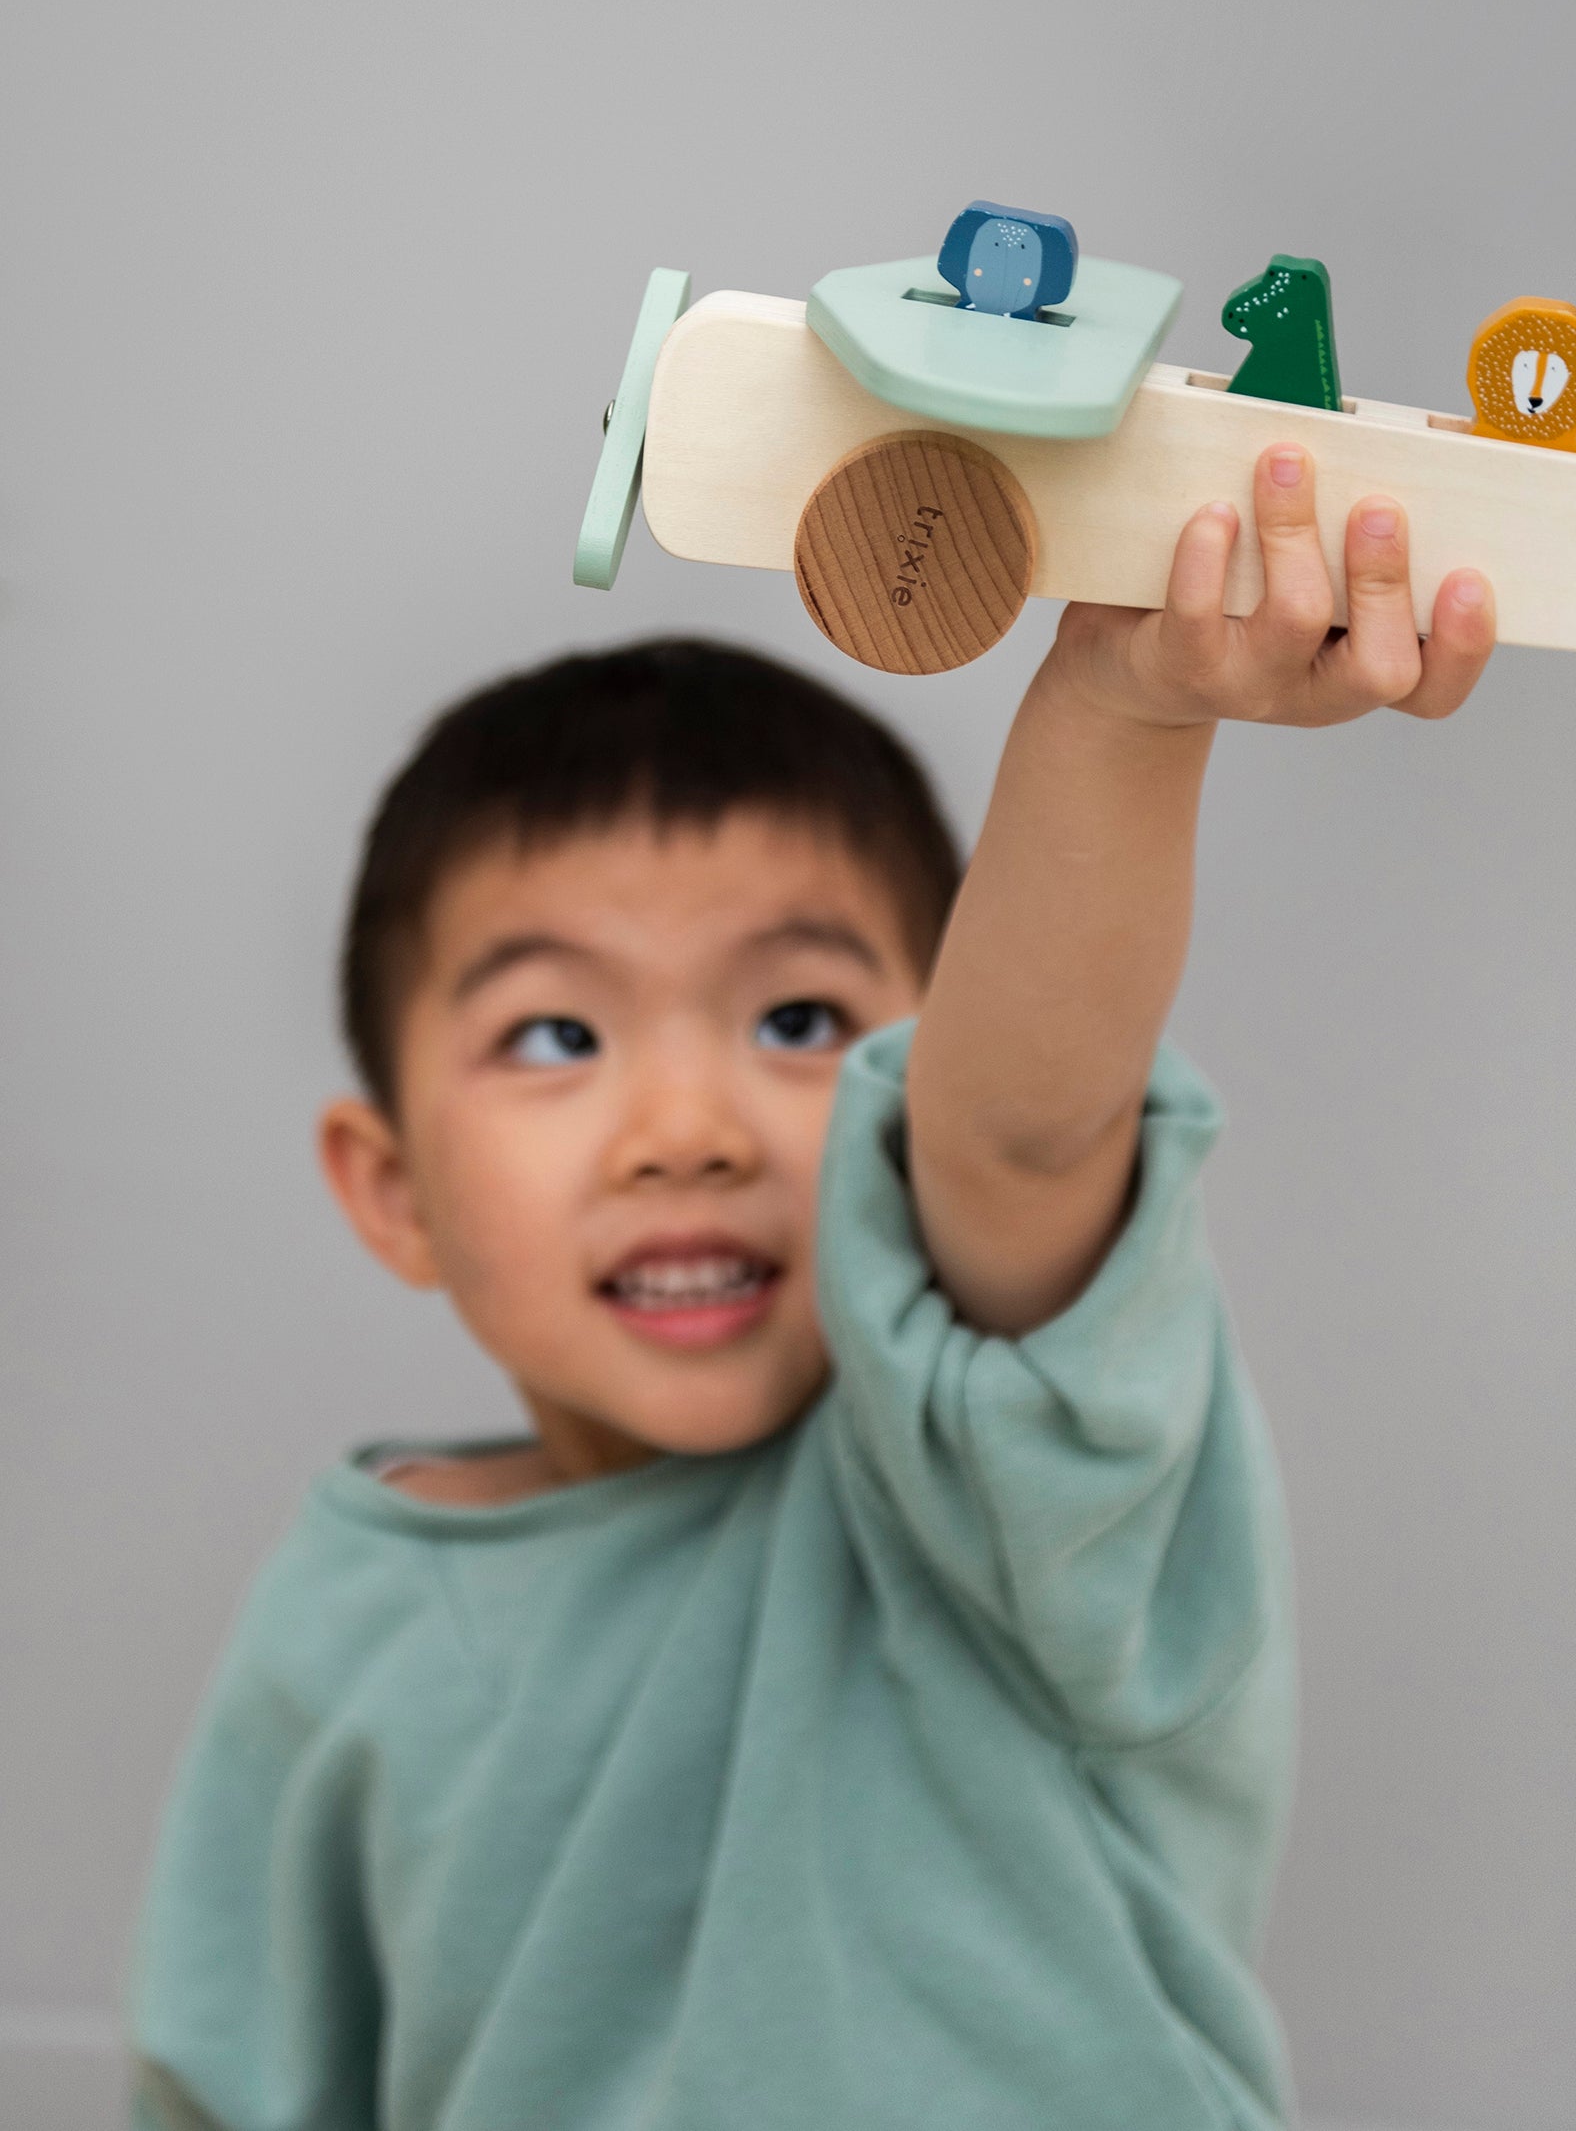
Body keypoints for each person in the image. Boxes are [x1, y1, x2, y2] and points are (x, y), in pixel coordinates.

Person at [129, 450, 1496, 2131]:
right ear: (392, 1187)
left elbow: (1022, 1128)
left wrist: (1118, 710)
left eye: (796, 1020)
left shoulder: (1003, 1495)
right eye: (555, 1034)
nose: (687, 1130)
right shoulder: (336, 1624)